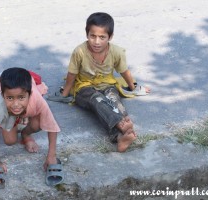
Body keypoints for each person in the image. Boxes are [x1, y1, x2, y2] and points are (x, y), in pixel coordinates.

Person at [48, 12, 150, 152]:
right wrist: (65, 93)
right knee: (98, 100)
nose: (96, 41)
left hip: (107, 84)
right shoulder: (80, 52)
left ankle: (121, 136)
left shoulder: (117, 52)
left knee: (114, 100)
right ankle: (123, 124)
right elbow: (72, 74)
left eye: (102, 37)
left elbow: (124, 71)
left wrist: (133, 87)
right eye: (93, 36)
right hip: (84, 87)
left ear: (110, 37)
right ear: (87, 34)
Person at [0, 67, 63, 188]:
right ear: (3, 95)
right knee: (10, 141)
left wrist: (51, 156)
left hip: (27, 86)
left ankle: (26, 135)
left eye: (21, 97)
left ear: (29, 94)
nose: (16, 104)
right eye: (10, 98)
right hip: (2, 87)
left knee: (38, 123)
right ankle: (17, 119)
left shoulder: (36, 98)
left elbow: (51, 126)